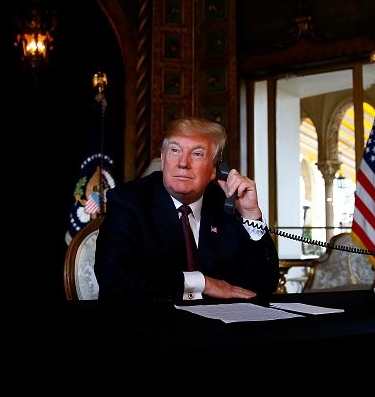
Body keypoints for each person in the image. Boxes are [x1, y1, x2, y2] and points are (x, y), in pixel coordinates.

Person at [94, 117, 280, 301]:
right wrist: (202, 283)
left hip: (217, 327)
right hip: (149, 324)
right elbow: (113, 279)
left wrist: (250, 214)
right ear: (163, 158)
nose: (183, 163)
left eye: (197, 154)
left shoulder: (225, 203)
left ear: (215, 170)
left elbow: (264, 284)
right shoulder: (128, 201)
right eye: (175, 150)